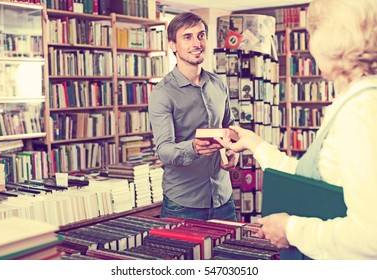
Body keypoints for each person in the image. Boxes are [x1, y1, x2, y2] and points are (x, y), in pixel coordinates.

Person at [215, 0, 377, 259]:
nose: (310, 42)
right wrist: (256, 144)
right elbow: (311, 178)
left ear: (332, 37)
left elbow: (371, 237)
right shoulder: (354, 101)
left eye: (313, 31)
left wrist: (291, 229)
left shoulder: (360, 111)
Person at [148, 12, 238, 221]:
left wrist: (234, 152)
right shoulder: (162, 94)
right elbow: (164, 150)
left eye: (201, 35)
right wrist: (193, 147)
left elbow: (229, 127)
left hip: (224, 199)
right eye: (187, 37)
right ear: (173, 45)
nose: (197, 43)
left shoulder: (218, 84)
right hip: (184, 203)